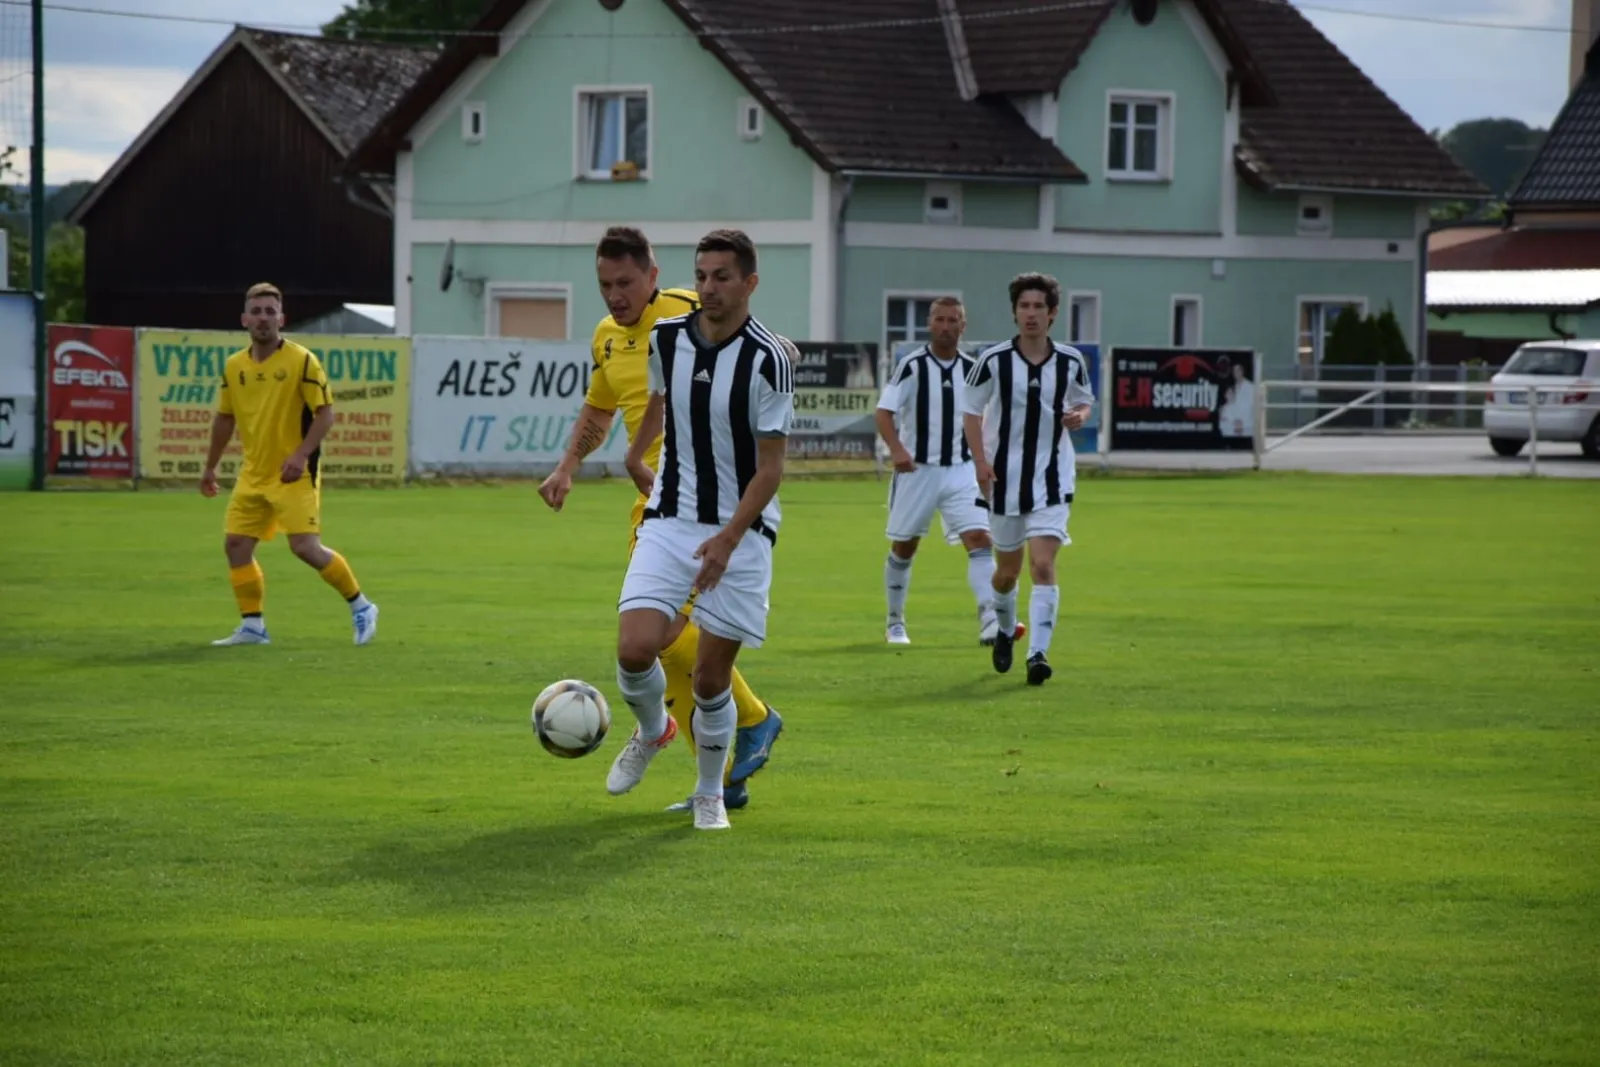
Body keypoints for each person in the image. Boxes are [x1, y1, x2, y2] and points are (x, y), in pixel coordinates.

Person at [538, 227, 786, 818]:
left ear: (652, 276)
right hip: (661, 502)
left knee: (679, 647)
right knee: (652, 643)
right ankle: (708, 747)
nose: (615, 295)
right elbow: (604, 405)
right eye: (604, 284)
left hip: (725, 507)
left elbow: (752, 339)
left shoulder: (683, 307)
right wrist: (569, 466)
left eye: (625, 282)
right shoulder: (608, 336)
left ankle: (740, 734)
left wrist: (781, 351)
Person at [201, 282, 378, 647]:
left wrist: (300, 454)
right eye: (257, 312)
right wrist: (210, 466)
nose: (263, 318)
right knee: (236, 545)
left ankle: (361, 606)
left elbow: (325, 414)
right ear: (244, 319)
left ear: (282, 319)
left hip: (294, 473)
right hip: (254, 472)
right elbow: (225, 418)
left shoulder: (302, 360)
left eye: (270, 312)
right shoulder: (234, 366)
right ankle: (253, 626)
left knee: (304, 547)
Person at [961, 273, 1093, 686]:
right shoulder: (993, 360)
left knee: (1043, 564)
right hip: (1004, 479)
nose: (1031, 314)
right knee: (1006, 574)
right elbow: (971, 412)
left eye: (1038, 307)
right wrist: (980, 462)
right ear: (1014, 312)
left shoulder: (1070, 360)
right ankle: (1005, 629)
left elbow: (1084, 401)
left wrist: (1079, 416)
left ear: (1052, 314)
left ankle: (1038, 654)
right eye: (1024, 306)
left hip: (1053, 477)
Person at [874, 295, 1025, 648]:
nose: (945, 326)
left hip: (961, 470)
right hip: (918, 471)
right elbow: (883, 412)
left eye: (952, 320)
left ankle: (989, 618)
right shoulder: (912, 366)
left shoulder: (973, 369)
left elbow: (987, 418)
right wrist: (897, 449)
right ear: (930, 324)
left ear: (963, 325)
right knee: (905, 546)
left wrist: (987, 460)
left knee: (980, 539)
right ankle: (895, 621)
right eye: (939, 319)